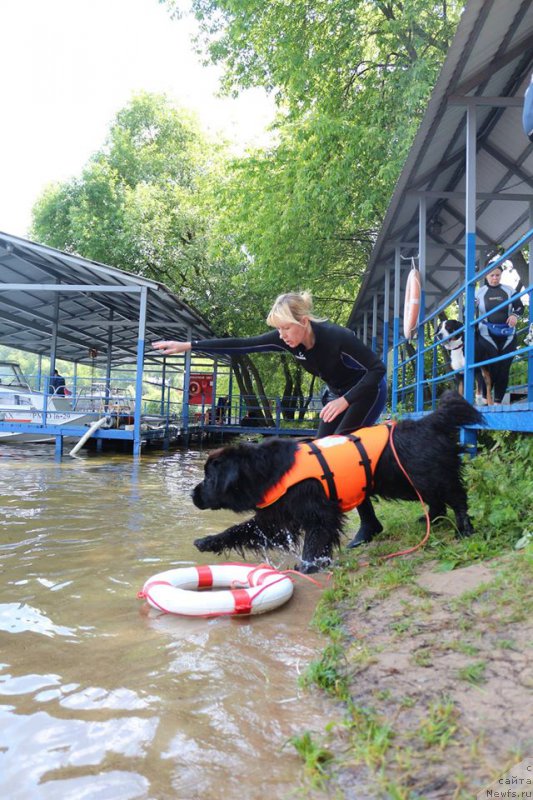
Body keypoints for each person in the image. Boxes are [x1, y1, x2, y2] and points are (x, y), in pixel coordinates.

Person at [153, 291, 387, 436]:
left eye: (286, 327)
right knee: (321, 449)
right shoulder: (285, 340)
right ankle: (356, 516)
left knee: (342, 445)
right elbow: (242, 344)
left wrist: (345, 401)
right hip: (338, 395)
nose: (282, 335)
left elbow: (378, 369)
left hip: (367, 390)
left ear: (303, 322)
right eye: (278, 328)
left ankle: (367, 516)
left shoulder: (337, 336)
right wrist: (190, 345)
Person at [475, 262, 524, 404]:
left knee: (504, 368)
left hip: (508, 334)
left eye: (497, 275)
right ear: (486, 276)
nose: (495, 278)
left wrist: (515, 315)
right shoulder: (479, 292)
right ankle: (484, 398)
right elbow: (467, 312)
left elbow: (520, 307)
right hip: (486, 334)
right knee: (490, 366)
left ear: (501, 275)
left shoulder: (509, 290)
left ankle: (497, 401)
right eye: (492, 275)